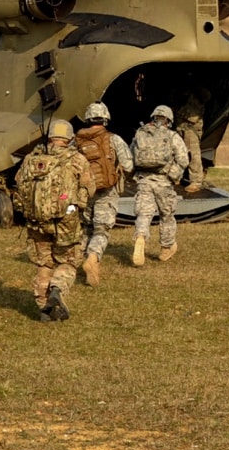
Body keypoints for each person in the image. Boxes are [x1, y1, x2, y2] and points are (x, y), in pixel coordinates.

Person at [13, 119, 94, 321]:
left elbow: (17, 186)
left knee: (44, 263)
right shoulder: (77, 160)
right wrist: (73, 207)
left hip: (36, 221)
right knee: (69, 261)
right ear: (69, 138)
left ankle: (43, 308)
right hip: (67, 218)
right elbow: (88, 189)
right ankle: (58, 288)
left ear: (49, 137)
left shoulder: (31, 159)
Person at [74, 102, 133, 287]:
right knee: (101, 230)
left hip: (84, 192)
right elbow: (129, 165)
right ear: (106, 117)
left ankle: (73, 264)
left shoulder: (76, 141)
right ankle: (93, 258)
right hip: (107, 191)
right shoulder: (113, 139)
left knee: (84, 228)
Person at [129, 105, 190, 266]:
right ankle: (166, 247)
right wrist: (173, 175)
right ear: (169, 121)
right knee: (167, 215)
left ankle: (141, 237)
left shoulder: (141, 133)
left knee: (144, 214)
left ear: (153, 117)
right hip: (164, 182)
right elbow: (183, 159)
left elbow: (131, 157)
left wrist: (133, 175)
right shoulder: (172, 136)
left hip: (144, 180)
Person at [174, 88, 209, 193]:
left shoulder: (199, 86)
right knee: (177, 151)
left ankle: (196, 181)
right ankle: (176, 176)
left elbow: (207, 97)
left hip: (191, 124)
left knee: (193, 153)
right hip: (179, 121)